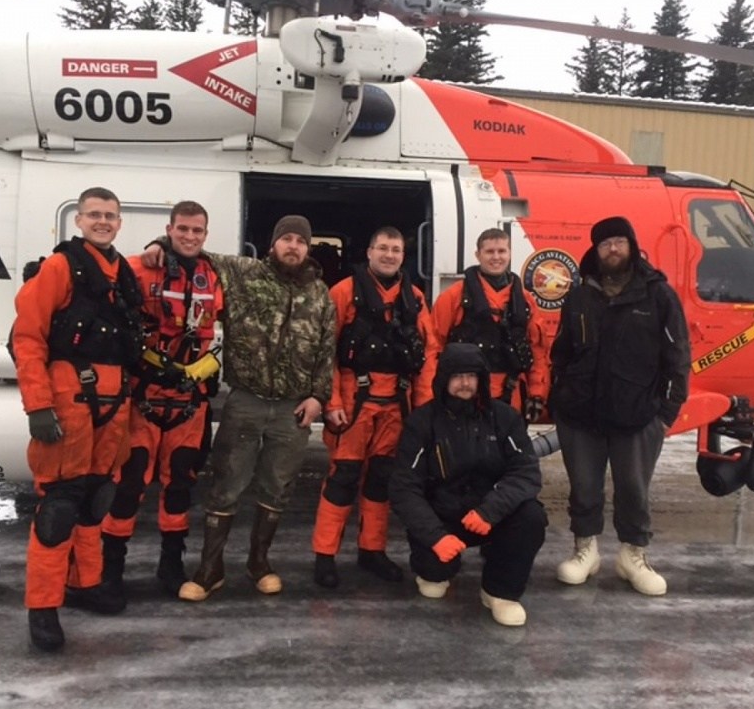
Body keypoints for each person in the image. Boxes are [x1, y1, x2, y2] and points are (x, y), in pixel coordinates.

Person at [143, 214, 336, 601]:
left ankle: (259, 563)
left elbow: (326, 350)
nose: (293, 246)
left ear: (308, 247)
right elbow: (193, 249)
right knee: (226, 486)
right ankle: (210, 569)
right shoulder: (242, 271)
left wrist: (318, 397)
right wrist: (159, 245)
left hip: (292, 409)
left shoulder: (321, 294)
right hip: (246, 400)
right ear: (273, 244)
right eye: (287, 239)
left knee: (277, 489)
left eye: (301, 240)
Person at [11, 186, 143, 651]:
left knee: (95, 500)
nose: (103, 221)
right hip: (69, 400)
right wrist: (38, 405)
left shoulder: (123, 272)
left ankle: (85, 584)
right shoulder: (60, 268)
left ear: (119, 222)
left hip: (113, 406)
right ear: (79, 220)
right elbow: (26, 338)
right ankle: (43, 606)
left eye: (110, 215)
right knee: (59, 508)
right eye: (94, 215)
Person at [550, 216, 690, 596]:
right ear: (595, 251)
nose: (613, 249)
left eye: (619, 241)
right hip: (581, 415)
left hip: (637, 415)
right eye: (605, 243)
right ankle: (585, 551)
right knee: (584, 487)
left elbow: (678, 356)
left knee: (633, 488)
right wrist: (559, 399)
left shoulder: (657, 294)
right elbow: (561, 352)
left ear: (631, 245)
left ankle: (634, 555)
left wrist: (665, 415)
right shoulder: (579, 295)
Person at [99, 201, 224, 600]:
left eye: (197, 230)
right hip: (144, 400)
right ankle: (110, 568)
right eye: (182, 229)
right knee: (128, 485)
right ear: (169, 229)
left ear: (206, 234)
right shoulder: (138, 267)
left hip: (190, 403)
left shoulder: (215, 274)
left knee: (180, 488)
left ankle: (171, 565)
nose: (189, 236)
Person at [311, 226, 440, 589]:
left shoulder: (414, 298)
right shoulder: (343, 293)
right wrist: (332, 402)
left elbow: (428, 355)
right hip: (354, 403)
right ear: (369, 252)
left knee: (381, 481)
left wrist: (424, 408)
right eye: (382, 248)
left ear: (403, 256)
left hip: (396, 405)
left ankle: (372, 550)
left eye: (395, 249)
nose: (388, 255)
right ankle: (325, 555)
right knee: (342, 479)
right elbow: (326, 353)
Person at [389, 343, 547, 627]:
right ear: (443, 379)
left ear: (482, 380)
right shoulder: (422, 422)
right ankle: (435, 568)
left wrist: (491, 511)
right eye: (457, 376)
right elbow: (404, 487)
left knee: (531, 516)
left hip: (488, 516)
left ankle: (500, 591)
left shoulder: (504, 417)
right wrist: (435, 536)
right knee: (434, 582)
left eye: (472, 376)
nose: (465, 383)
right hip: (443, 519)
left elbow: (526, 472)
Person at [431, 228, 550, 424]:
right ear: (478, 255)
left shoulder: (526, 302)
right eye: (489, 252)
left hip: (510, 394)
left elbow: (537, 352)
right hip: (465, 393)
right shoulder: (454, 297)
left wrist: (537, 393)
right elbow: (434, 346)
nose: (496, 257)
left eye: (501, 251)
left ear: (510, 253)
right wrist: (434, 394)